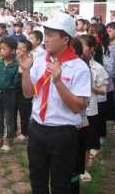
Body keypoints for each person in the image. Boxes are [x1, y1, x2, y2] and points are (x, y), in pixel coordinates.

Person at [19, 12, 91, 193]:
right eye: (45, 33)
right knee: (37, 181)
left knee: (61, 185)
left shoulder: (78, 67)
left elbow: (77, 107)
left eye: (51, 35)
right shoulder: (40, 61)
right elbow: (28, 94)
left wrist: (58, 82)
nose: (46, 39)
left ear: (65, 39)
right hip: (37, 128)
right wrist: (26, 71)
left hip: (63, 133)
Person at [78, 35, 108, 182]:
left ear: (92, 49)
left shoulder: (97, 68)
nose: (79, 48)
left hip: (90, 110)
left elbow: (104, 90)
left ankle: (83, 169)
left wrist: (91, 87)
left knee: (87, 142)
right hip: (74, 109)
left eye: (83, 45)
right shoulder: (72, 65)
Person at [0, 36, 18, 152]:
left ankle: (9, 140)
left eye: (4, 49)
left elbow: (16, 81)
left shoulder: (17, 64)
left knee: (9, 118)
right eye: (0, 49)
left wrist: (9, 85)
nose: (1, 51)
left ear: (13, 51)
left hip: (9, 94)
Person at [14, 39, 33, 141]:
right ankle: (14, 130)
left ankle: (24, 132)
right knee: (13, 109)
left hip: (25, 91)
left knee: (24, 111)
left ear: (29, 50)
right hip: (14, 90)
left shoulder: (31, 62)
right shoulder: (15, 60)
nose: (20, 50)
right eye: (18, 48)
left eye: (23, 48)